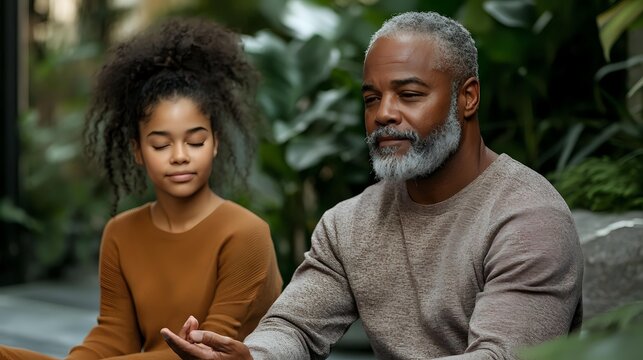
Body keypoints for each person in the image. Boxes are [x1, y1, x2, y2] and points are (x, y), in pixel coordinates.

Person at [161, 11, 583, 360]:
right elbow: (293, 327)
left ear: (467, 97)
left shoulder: (528, 217)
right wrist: (253, 357)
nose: (383, 114)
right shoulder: (349, 223)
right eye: (371, 98)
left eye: (409, 94)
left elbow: (500, 356)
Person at [0, 18, 282, 359]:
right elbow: (113, 337)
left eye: (195, 141)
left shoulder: (247, 234)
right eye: (161, 145)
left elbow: (209, 350)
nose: (179, 156)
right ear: (137, 150)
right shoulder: (121, 232)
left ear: (216, 143)